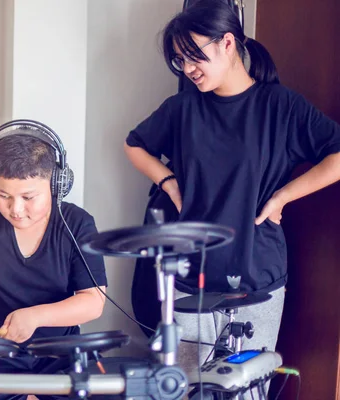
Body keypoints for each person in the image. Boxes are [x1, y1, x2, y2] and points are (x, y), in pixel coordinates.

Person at [123, 0, 340, 393]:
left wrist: (284, 196)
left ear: (227, 43)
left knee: (247, 390)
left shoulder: (281, 107)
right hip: (191, 282)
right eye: (179, 62)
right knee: (188, 389)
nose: (187, 69)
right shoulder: (183, 108)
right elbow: (134, 145)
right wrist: (169, 180)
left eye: (194, 57)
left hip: (259, 279)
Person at [0, 120, 107, 400]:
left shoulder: (78, 224)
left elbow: (93, 300)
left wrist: (36, 317)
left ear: (56, 184)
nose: (15, 209)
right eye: (3, 195)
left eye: (28, 197)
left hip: (58, 352)